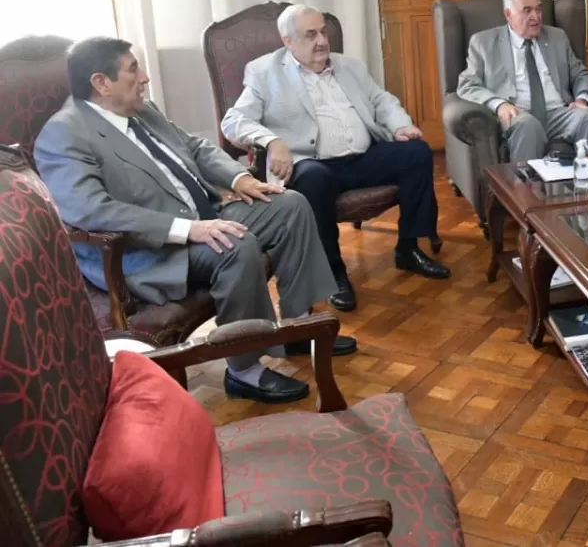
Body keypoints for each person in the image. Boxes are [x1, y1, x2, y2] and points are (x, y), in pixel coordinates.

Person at [35, 37, 354, 405]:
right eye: (133, 69)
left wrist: (240, 179)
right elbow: (90, 210)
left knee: (290, 205)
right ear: (100, 83)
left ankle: (296, 326)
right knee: (235, 245)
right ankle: (244, 369)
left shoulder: (141, 109)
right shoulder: (64, 133)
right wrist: (189, 229)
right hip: (150, 249)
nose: (145, 78)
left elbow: (196, 148)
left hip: (204, 213)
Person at [222, 4, 448, 314]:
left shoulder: (349, 66)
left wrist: (400, 125)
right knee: (314, 178)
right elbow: (233, 122)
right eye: (310, 34)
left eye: (323, 32)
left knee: (416, 153)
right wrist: (271, 141)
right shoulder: (264, 71)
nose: (322, 42)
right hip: (313, 163)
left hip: (362, 156)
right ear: (288, 41)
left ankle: (408, 247)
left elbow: (381, 100)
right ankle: (334, 272)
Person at [456, 0, 588, 162]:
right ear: (508, 15)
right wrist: (499, 105)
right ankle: (524, 188)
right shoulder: (484, 42)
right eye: (526, 11)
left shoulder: (557, 37)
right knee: (528, 126)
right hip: (518, 113)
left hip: (558, 112)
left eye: (538, 10)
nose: (535, 17)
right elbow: (468, 84)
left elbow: (581, 74)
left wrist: (582, 99)